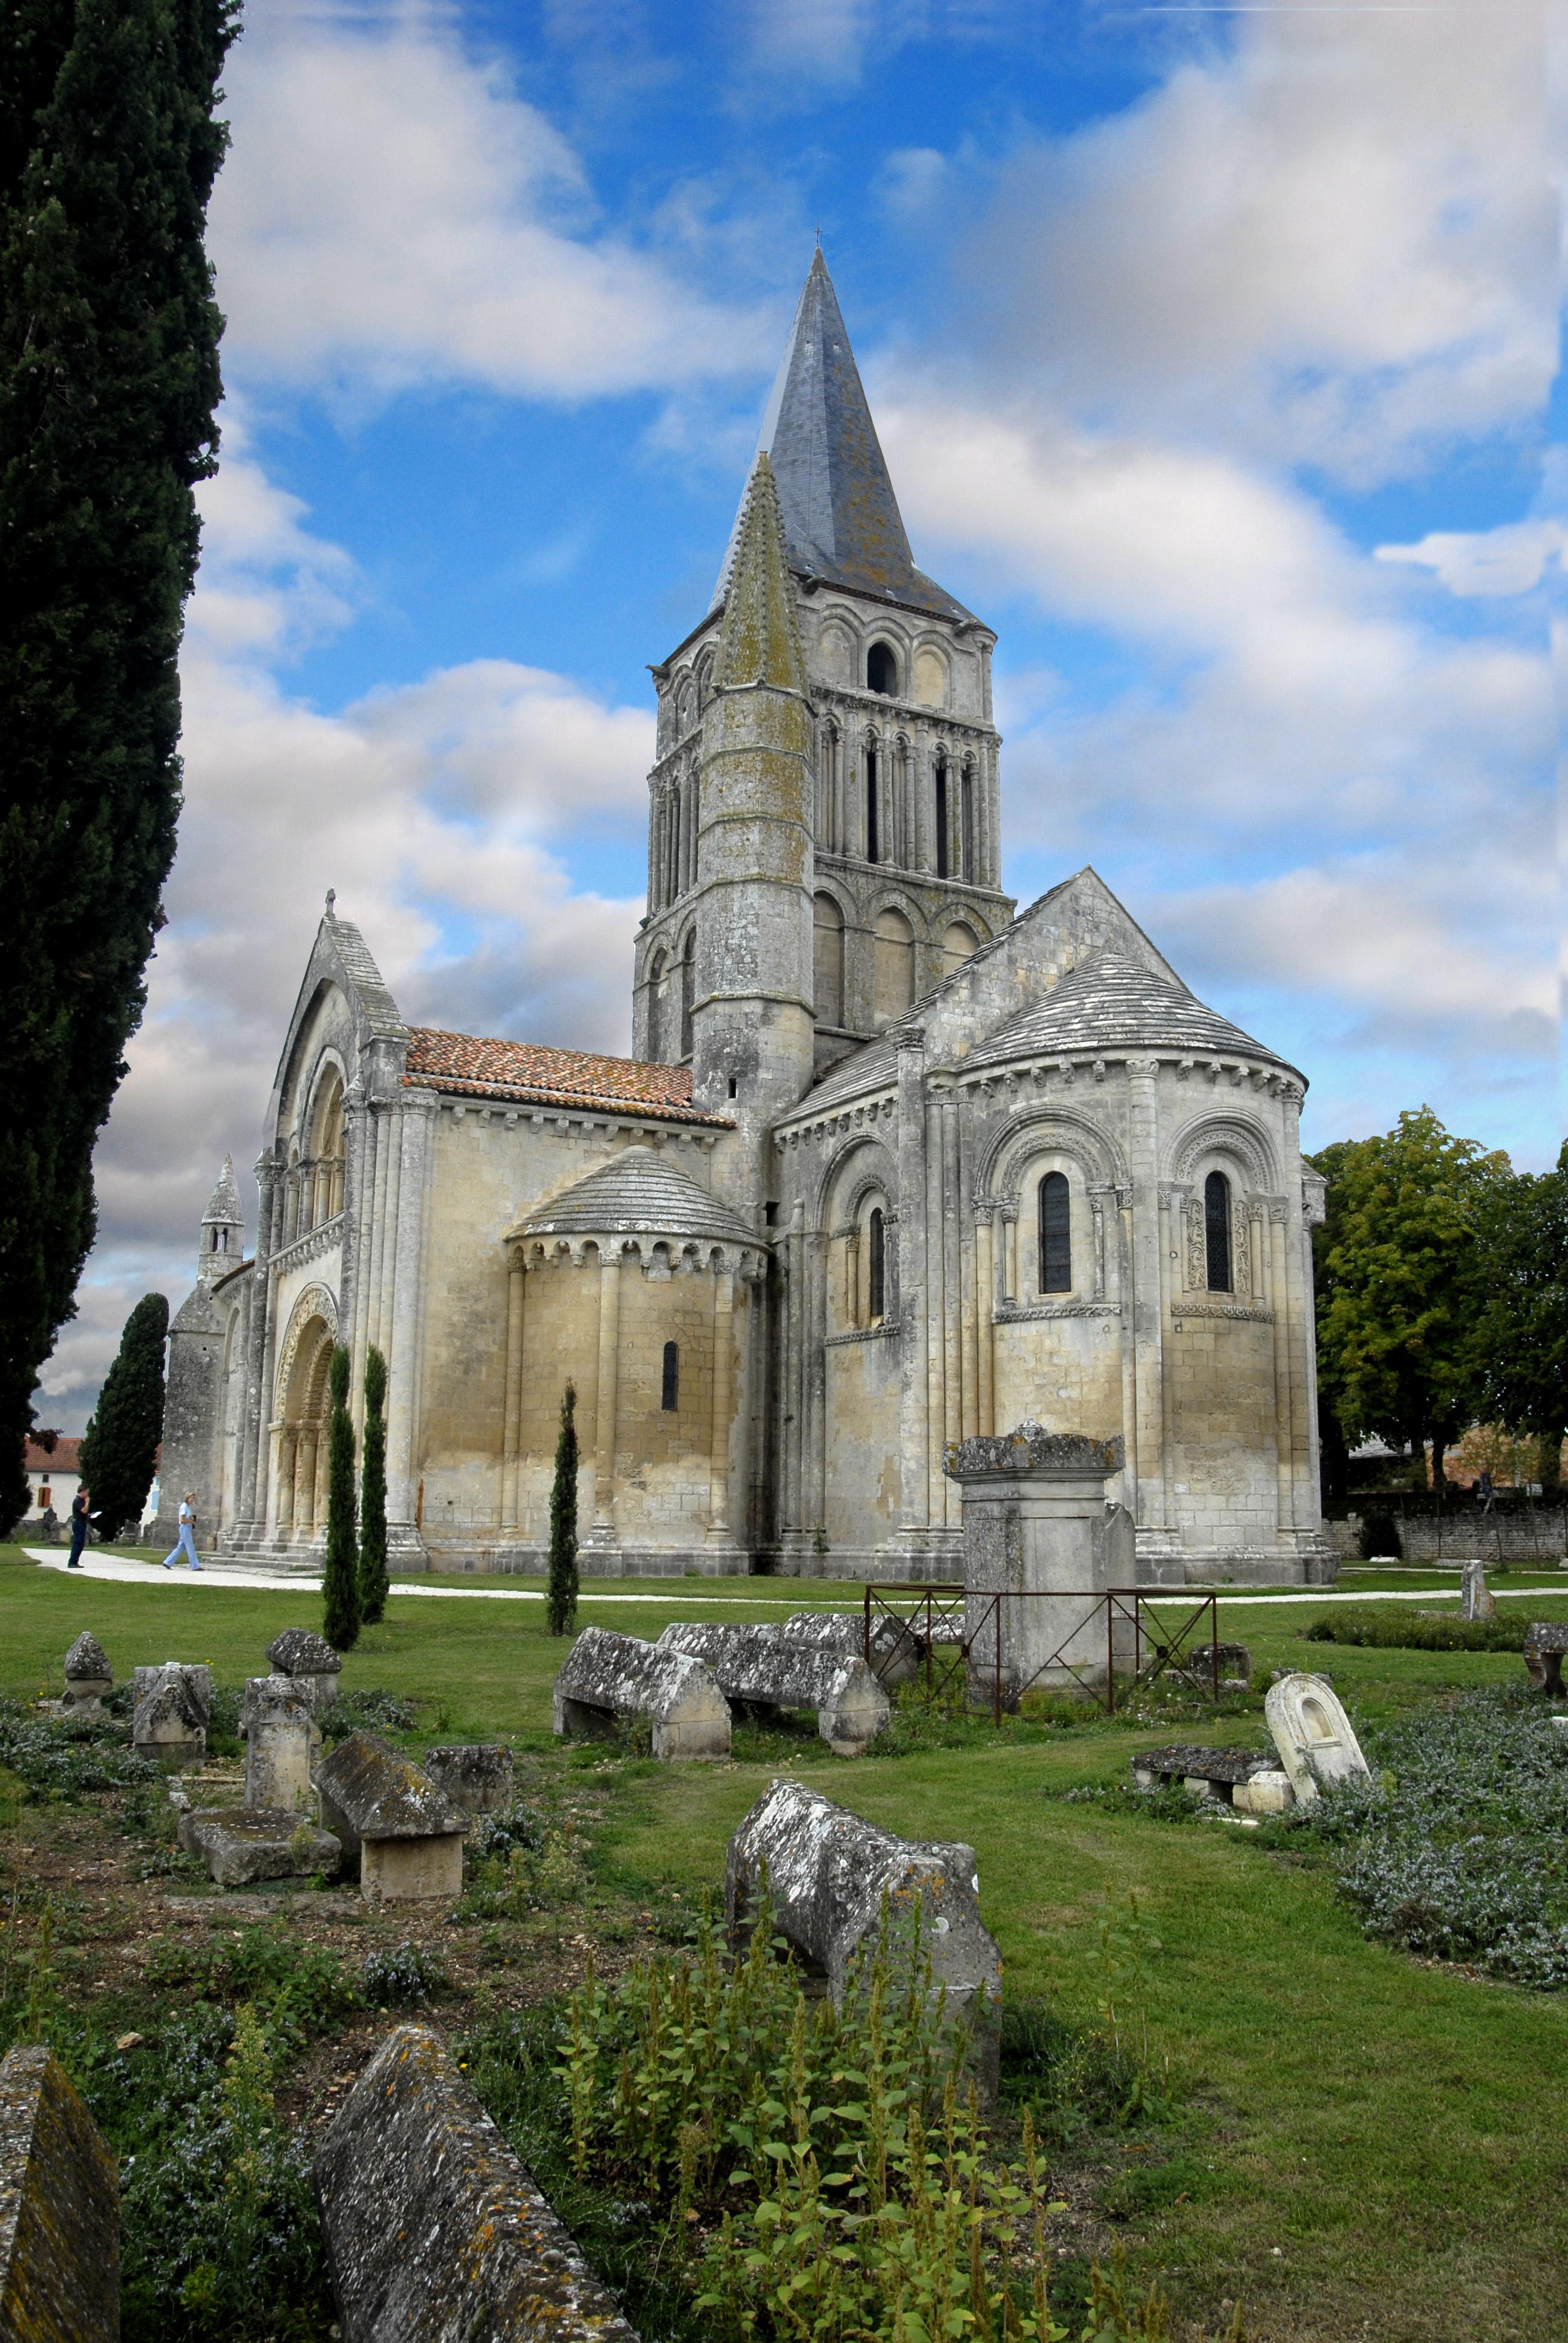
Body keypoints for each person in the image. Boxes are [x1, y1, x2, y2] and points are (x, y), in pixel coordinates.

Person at [161, 1492, 202, 1572]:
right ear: (187, 1498)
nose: (193, 1500)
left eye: (193, 1498)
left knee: (181, 1547)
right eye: (191, 1498)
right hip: (185, 1528)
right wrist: (191, 1521)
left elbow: (187, 1517)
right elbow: (182, 1520)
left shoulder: (188, 1507)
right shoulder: (184, 1507)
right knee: (190, 1547)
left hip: (187, 1528)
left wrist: (191, 1518)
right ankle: (195, 1566)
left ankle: (168, 1562)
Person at [67, 1487, 95, 1569]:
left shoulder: (81, 1501)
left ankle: (75, 1561)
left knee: (80, 1543)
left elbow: (83, 1513)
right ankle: (73, 1562)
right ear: (82, 1492)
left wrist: (89, 1515)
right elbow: (84, 1510)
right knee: (78, 1543)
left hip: (82, 1522)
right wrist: (87, 1502)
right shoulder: (78, 1500)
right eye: (87, 1492)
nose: (87, 1494)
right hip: (79, 1523)